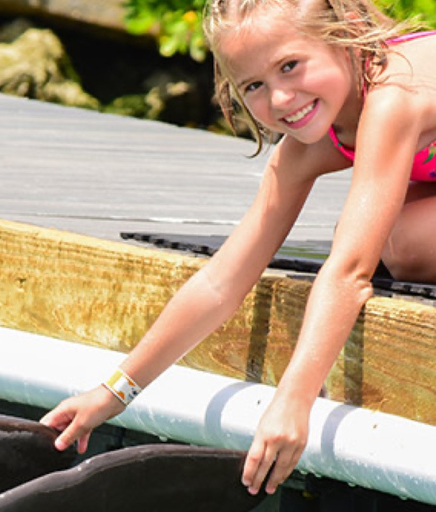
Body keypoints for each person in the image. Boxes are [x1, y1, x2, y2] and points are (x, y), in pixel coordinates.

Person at [41, 0, 436, 496]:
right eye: (254, 86)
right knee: (399, 238)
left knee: (399, 242)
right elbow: (220, 280)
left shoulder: (393, 99)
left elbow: (349, 273)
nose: (282, 98)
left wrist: (294, 401)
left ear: (345, 35)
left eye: (290, 66)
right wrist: (113, 393)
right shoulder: (311, 141)